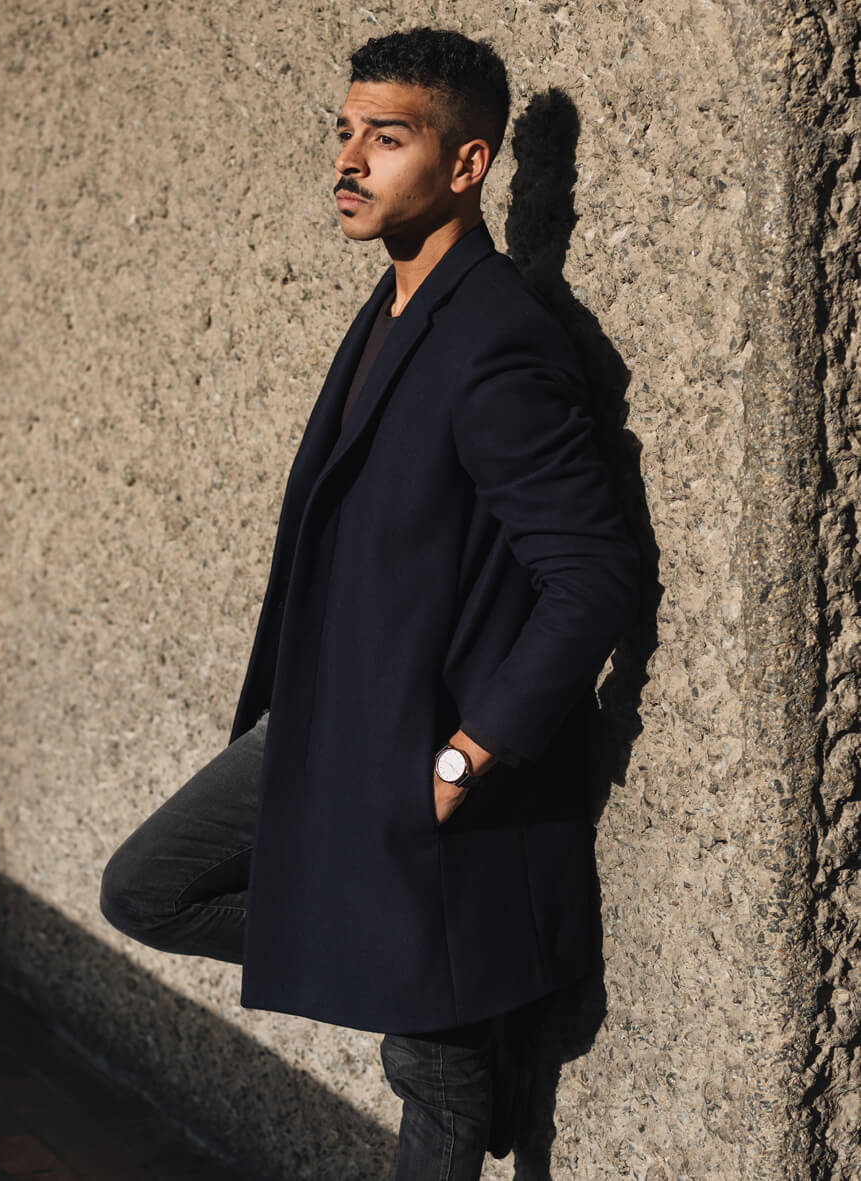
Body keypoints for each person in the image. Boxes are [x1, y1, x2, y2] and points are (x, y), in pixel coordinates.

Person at [100, 27, 638, 1180]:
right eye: (343, 133)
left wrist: (464, 756)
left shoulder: (497, 339)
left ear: (466, 164)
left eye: (384, 139)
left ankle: (459, 1019)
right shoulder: (392, 309)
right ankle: (428, 985)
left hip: (417, 752)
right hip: (324, 730)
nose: (346, 161)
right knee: (145, 887)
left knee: (430, 1075)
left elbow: (591, 572)